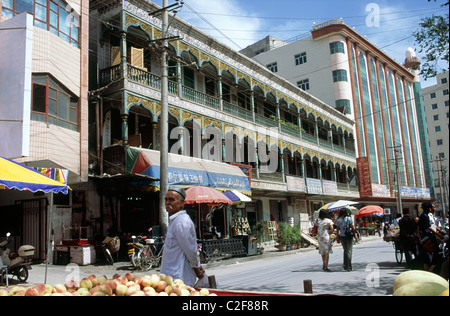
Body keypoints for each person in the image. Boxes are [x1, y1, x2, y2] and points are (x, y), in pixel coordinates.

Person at [160, 186, 205, 286]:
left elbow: (190, 250)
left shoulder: (182, 222)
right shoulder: (175, 221)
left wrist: (197, 268)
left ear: (181, 203)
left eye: (171, 200)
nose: (167, 203)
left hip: (179, 279)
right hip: (171, 278)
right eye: (166, 199)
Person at [336, 206, 357, 271]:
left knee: (345, 251)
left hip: (342, 236)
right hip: (348, 236)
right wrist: (355, 234)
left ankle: (345, 265)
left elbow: (337, 230)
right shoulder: (349, 219)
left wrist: (337, 237)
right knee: (349, 251)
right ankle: (349, 266)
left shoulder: (338, 220)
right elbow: (352, 227)